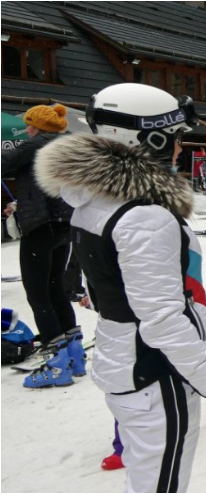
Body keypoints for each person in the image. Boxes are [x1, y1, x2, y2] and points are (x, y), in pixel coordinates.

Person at [35, 83, 206, 492]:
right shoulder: (144, 216)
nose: (179, 148)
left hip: (128, 363)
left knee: (149, 478)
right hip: (156, 374)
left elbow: (110, 291)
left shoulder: (95, 200)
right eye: (175, 137)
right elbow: (162, 321)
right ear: (148, 138)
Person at [1, 103, 85, 388]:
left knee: (37, 294)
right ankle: (75, 355)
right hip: (64, 224)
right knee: (55, 288)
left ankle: (57, 362)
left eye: (29, 124)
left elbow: (4, 164)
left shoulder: (35, 144)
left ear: (39, 126)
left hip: (40, 226)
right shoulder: (69, 143)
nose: (26, 129)